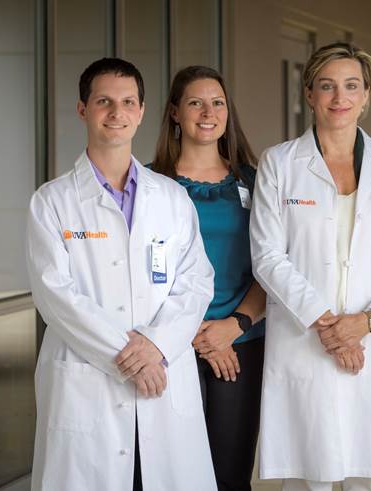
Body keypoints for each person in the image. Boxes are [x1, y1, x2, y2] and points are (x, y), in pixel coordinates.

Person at [26, 58, 217, 491]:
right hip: (90, 375)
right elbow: (55, 294)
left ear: (142, 111)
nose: (117, 112)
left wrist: (157, 346)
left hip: (162, 371)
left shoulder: (171, 197)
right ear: (82, 109)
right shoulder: (52, 201)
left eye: (128, 101)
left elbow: (196, 280)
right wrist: (130, 358)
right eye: (104, 101)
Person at [250, 42, 371, 491]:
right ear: (309, 94)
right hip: (305, 338)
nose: (339, 97)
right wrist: (330, 326)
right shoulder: (279, 163)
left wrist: (367, 322)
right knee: (306, 473)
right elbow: (268, 256)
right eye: (327, 86)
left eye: (352, 86)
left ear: (366, 96)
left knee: (367, 477)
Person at [151, 65, 266, 491]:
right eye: (195, 102)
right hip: (168, 343)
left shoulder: (255, 181)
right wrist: (193, 332)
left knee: (230, 469)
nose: (207, 111)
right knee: (168, 471)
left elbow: (272, 266)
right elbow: (138, 272)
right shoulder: (148, 183)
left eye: (217, 102)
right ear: (175, 113)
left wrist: (233, 326)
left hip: (240, 340)